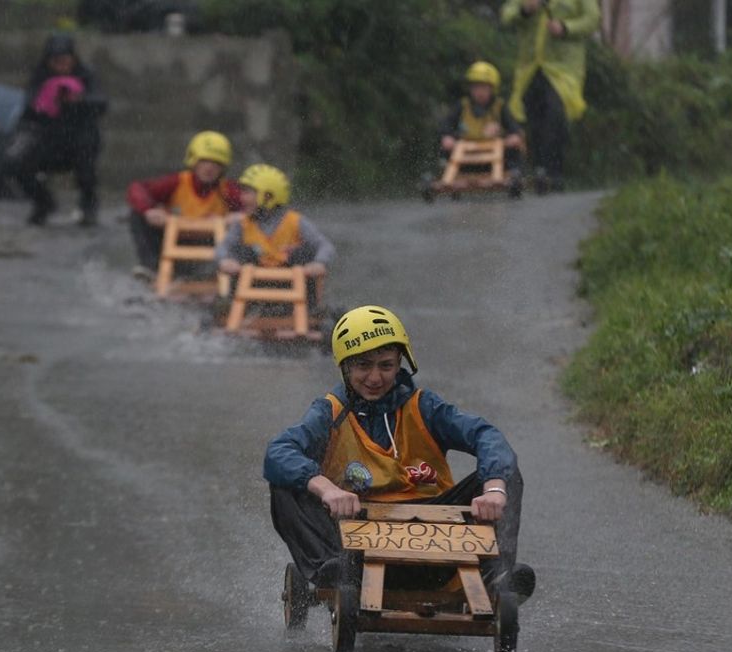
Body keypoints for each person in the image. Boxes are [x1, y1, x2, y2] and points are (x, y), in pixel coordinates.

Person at [264, 305, 535, 601]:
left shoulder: (424, 406)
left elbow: (487, 435)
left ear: (400, 363)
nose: (375, 377)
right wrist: (326, 489)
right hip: (355, 550)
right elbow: (279, 452)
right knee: (285, 483)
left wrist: (494, 490)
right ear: (345, 367)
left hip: (437, 539)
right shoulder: (329, 412)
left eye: (386, 365)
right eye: (363, 366)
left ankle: (499, 573)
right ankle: (331, 570)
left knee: (506, 475)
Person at [502, 0, 601, 194]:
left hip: (564, 70)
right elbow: (507, 15)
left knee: (555, 115)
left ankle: (553, 173)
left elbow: (593, 19)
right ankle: (538, 172)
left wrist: (565, 27)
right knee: (532, 119)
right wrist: (525, 10)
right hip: (530, 69)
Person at [8, 34, 105, 226]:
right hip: (48, 139)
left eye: (65, 60)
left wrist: (79, 101)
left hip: (80, 137)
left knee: (86, 163)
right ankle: (43, 203)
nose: (61, 65)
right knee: (17, 163)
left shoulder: (85, 74)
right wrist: (45, 101)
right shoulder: (40, 76)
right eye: (56, 61)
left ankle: (88, 205)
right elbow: (28, 106)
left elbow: (101, 102)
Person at [125, 131, 242, 281]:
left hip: (210, 246)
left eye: (216, 163)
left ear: (223, 167)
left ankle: (231, 277)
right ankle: (152, 268)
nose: (209, 168)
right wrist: (149, 210)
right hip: (174, 241)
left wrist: (240, 216)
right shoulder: (177, 182)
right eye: (204, 161)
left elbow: (256, 208)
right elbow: (138, 188)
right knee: (137, 214)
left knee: (246, 226)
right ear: (194, 161)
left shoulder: (228, 190)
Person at [215, 164, 334, 306]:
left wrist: (319, 262)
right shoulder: (242, 224)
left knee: (305, 253)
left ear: (268, 196)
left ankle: (309, 311)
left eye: (248, 192)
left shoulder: (295, 221)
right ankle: (235, 309)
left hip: (290, 285)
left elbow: (325, 245)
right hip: (254, 287)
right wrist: (224, 260)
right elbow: (223, 247)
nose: (242, 198)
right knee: (240, 252)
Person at [438, 61, 524, 174]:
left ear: (492, 89)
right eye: (476, 87)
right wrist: (447, 137)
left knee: (515, 145)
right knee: (445, 145)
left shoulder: (500, 107)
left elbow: (514, 129)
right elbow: (446, 125)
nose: (479, 92)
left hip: (495, 153)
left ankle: (514, 173)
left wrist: (511, 137)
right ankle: (445, 171)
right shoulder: (462, 106)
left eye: (484, 87)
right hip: (465, 155)